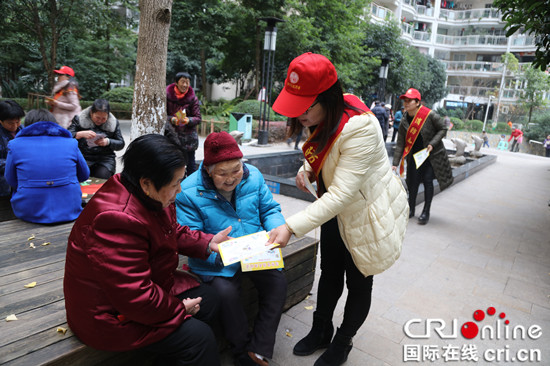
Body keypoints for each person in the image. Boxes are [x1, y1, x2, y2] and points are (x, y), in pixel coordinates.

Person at [267, 53, 408, 366]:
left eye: (304, 107)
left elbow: (344, 192)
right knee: (330, 271)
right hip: (335, 210)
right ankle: (320, 329)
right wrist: (307, 167)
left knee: (359, 281)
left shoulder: (360, 128)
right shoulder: (330, 112)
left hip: (364, 214)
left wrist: (290, 228)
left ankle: (343, 342)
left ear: (325, 98)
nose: (299, 115)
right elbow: (326, 147)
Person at [64, 134, 232, 365]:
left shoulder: (149, 194)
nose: (180, 190)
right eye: (175, 183)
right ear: (146, 183)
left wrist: (206, 242)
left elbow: (170, 230)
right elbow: (135, 296)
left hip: (142, 288)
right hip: (109, 314)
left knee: (210, 299)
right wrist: (178, 310)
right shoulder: (115, 220)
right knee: (199, 339)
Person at [176, 131, 287, 366]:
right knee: (225, 294)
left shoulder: (253, 176)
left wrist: (278, 228)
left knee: (277, 281)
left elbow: (269, 209)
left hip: (254, 250)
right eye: (222, 173)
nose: (231, 179)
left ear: (242, 162)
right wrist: (213, 247)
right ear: (207, 170)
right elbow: (189, 234)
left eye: (236, 170)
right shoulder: (187, 191)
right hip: (215, 258)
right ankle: (240, 350)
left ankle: (258, 349)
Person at [4, 109, 89, 223]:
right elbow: (84, 175)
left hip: (29, 210)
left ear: (27, 125)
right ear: (54, 123)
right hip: (69, 208)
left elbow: (10, 179)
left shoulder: (15, 144)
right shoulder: (71, 143)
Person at [392, 88, 454, 225]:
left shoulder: (429, 115)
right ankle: (411, 209)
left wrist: (432, 143)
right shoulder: (404, 120)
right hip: (414, 156)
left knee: (427, 181)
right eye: (405, 101)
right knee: (412, 182)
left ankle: (426, 211)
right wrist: (395, 162)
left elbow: (444, 128)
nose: (406, 103)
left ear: (417, 102)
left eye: (409, 101)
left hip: (431, 155)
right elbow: (401, 142)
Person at [68, 99, 125, 178]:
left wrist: (108, 141)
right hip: (83, 157)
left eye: (104, 118)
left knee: (102, 177)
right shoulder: (79, 119)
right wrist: (79, 134)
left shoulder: (113, 123)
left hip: (105, 159)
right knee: (80, 176)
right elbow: (67, 135)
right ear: (91, 113)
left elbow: (121, 143)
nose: (100, 121)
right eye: (97, 117)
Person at [165, 72, 202, 177]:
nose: (185, 85)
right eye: (183, 82)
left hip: (188, 139)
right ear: (176, 82)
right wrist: (172, 119)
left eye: (187, 82)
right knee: (172, 164)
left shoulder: (193, 98)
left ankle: (191, 186)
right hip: (171, 136)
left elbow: (198, 118)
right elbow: (162, 115)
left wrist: (188, 120)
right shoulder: (167, 96)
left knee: (191, 164)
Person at [0, 100, 25, 218]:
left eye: (18, 121)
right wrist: (15, 164)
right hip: (3, 184)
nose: (15, 126)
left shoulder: (23, 131)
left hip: (21, 181)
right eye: (10, 123)